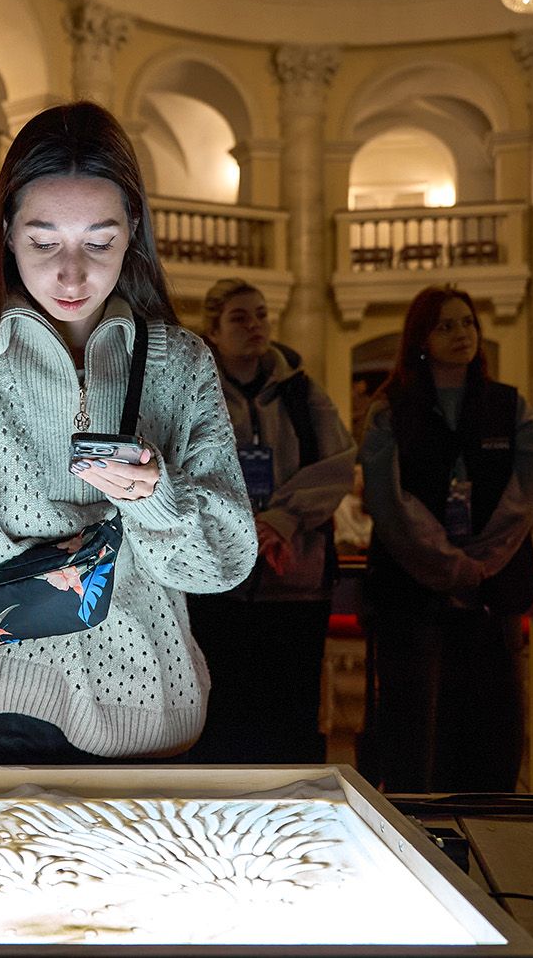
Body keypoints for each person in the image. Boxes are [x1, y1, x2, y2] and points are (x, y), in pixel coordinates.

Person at [0, 103, 255, 863]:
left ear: (134, 232)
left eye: (100, 241)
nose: (72, 272)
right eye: (43, 242)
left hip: (149, 714)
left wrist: (153, 496)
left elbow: (219, 564)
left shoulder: (183, 364)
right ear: (5, 234)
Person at [358, 285, 533, 793]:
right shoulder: (389, 410)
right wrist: (449, 565)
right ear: (421, 339)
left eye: (468, 323)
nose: (462, 334)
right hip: (410, 592)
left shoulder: (511, 406)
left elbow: (526, 490)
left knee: (494, 719)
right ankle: (415, 826)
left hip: (494, 589)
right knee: (414, 722)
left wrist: (483, 560)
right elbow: (390, 502)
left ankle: (493, 823)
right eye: (446, 325)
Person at [186, 278, 355, 763]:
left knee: (290, 713)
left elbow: (337, 463)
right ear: (213, 330)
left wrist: (281, 519)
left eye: (261, 315)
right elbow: (181, 466)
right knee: (220, 713)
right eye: (240, 317)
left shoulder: (302, 391)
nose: (255, 326)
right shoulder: (193, 386)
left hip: (293, 581)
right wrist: (242, 524)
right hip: (215, 582)